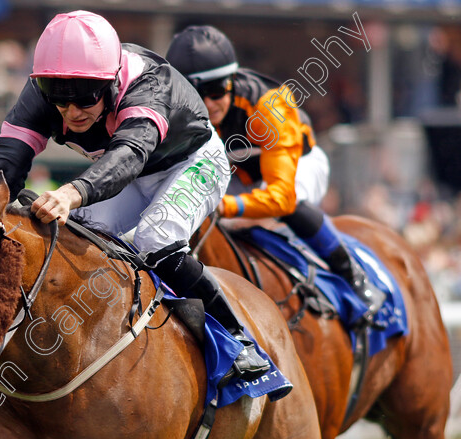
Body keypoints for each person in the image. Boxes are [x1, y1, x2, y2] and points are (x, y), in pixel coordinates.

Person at [0, 11, 269, 381]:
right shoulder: (43, 91)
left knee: (155, 239)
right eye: (59, 100)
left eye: (84, 99)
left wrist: (72, 191)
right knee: (79, 234)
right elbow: (7, 160)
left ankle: (238, 339)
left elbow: (127, 157)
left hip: (192, 162)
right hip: (129, 171)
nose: (71, 112)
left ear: (112, 82)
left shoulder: (148, 84)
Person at [165, 25, 385, 316]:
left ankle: (354, 276)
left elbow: (280, 196)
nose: (207, 103)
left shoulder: (269, 105)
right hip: (235, 176)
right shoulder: (174, 110)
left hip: (299, 167)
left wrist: (224, 205)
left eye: (216, 90)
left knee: (288, 204)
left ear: (232, 79)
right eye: (195, 92)